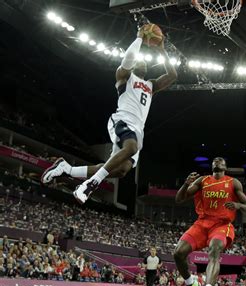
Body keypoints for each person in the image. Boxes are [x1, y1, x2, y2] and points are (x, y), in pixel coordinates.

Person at [40, 23, 177, 204]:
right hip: (122, 120)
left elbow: (173, 75)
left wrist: (161, 50)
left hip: (138, 130)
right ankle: (91, 184)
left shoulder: (151, 85)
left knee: (121, 170)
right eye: (139, 60)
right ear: (134, 64)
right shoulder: (124, 77)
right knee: (131, 148)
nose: (143, 61)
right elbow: (128, 59)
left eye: (145, 61)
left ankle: (67, 169)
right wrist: (139, 38)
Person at [174, 157, 246, 286]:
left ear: (225, 166)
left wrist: (236, 204)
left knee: (214, 250)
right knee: (178, 253)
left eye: (220, 160)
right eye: (215, 160)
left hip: (221, 225)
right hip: (202, 223)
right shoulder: (203, 180)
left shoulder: (233, 183)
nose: (217, 160)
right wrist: (185, 184)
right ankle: (191, 285)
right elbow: (179, 199)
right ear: (212, 165)